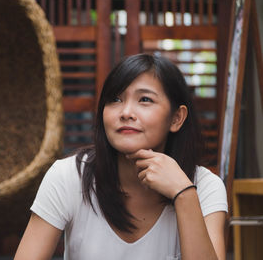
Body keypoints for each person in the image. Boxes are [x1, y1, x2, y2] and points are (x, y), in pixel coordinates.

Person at [14, 54, 228, 260]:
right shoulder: (69, 176)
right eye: (115, 99)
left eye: (145, 99)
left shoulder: (205, 187)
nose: (126, 112)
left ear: (176, 118)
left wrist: (184, 195)